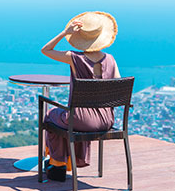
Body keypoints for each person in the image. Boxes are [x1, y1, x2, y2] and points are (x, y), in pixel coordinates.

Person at [40, 11, 121, 182]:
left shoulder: (74, 58)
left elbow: (46, 50)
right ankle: (66, 164)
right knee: (69, 119)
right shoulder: (111, 60)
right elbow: (118, 89)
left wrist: (65, 33)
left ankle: (58, 164)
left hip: (80, 121)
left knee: (51, 116)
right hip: (106, 121)